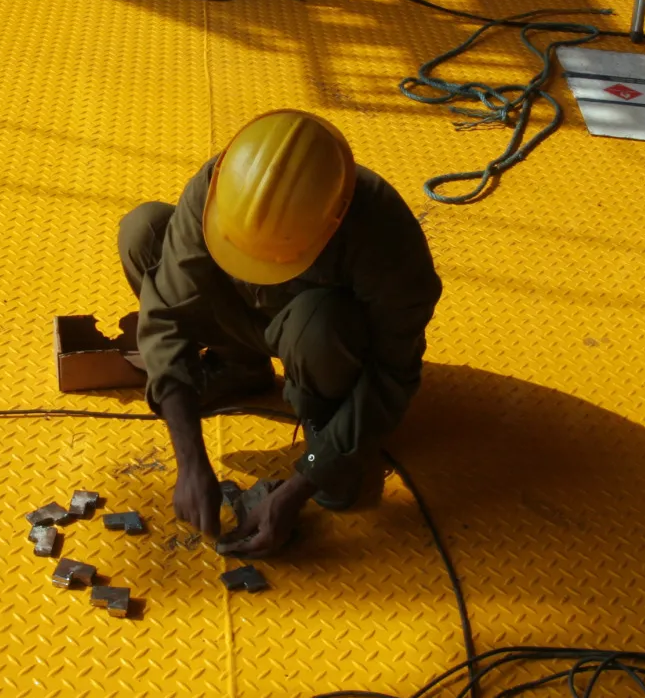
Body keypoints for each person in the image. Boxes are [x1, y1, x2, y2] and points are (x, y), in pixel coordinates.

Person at [118, 109, 442, 558]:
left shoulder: (385, 237)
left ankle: (325, 422)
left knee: (321, 321)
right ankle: (238, 367)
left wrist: (304, 480)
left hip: (316, 339)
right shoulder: (222, 186)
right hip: (248, 319)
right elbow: (166, 317)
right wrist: (190, 460)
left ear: (331, 225)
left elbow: (392, 373)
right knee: (144, 232)